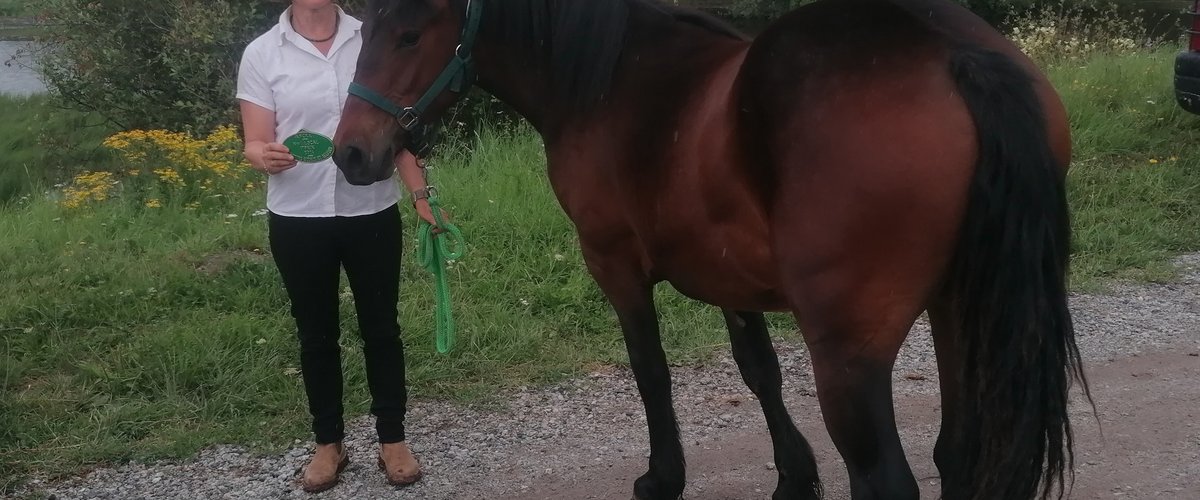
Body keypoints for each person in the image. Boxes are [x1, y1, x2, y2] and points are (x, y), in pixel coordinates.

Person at [234, 0, 444, 493]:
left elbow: (399, 130)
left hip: (369, 209)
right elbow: (253, 140)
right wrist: (263, 155)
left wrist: (420, 195)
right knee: (316, 334)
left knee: (382, 328)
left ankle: (393, 440)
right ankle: (329, 444)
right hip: (297, 216)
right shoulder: (262, 53)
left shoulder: (371, 36)